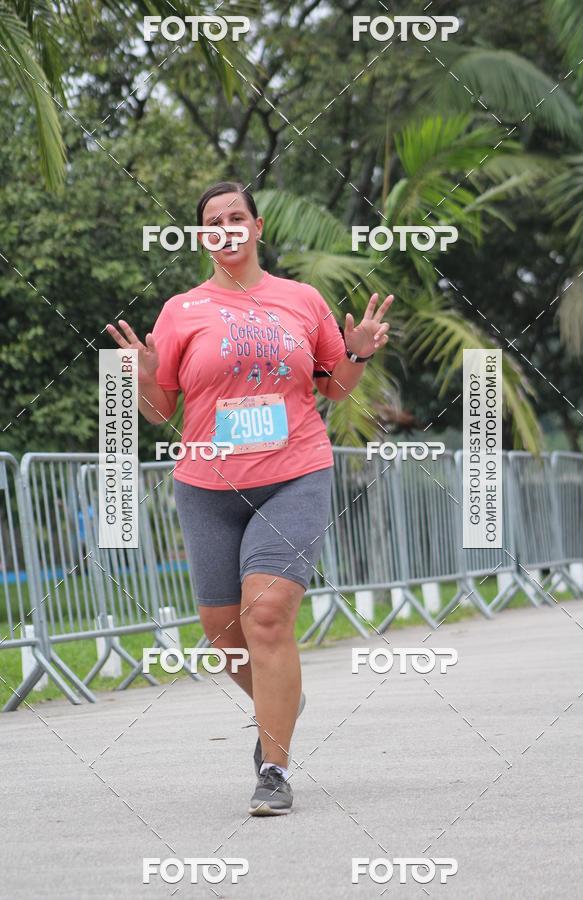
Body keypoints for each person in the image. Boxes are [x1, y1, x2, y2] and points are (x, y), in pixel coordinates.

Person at [106, 181, 392, 815]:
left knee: (266, 617)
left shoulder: (302, 300)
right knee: (223, 637)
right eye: (213, 221)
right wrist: (143, 379)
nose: (226, 228)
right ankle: (280, 697)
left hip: (294, 474)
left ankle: (274, 769)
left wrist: (357, 354)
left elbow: (335, 387)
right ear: (202, 237)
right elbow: (160, 411)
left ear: (257, 227)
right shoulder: (181, 310)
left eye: (237, 216)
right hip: (207, 486)